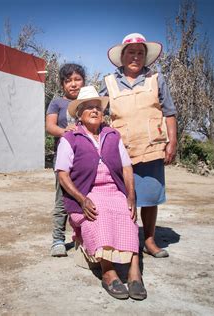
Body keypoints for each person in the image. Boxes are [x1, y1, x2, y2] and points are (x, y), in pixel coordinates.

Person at [56, 86, 147, 300]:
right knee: (99, 212)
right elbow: (62, 174)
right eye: (89, 107)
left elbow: (126, 167)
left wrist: (131, 196)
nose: (95, 110)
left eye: (98, 107)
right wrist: (82, 199)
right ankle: (108, 272)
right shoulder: (71, 138)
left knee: (127, 212)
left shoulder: (113, 135)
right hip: (86, 194)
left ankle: (135, 271)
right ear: (79, 113)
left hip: (114, 190)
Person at [100, 33, 177, 258]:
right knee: (123, 197)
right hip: (121, 151)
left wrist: (172, 142)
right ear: (122, 57)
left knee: (150, 197)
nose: (136, 57)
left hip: (152, 148)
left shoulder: (156, 79)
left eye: (140, 53)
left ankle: (149, 241)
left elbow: (170, 113)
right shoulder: (109, 82)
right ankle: (128, 239)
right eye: (131, 53)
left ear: (146, 57)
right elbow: (96, 109)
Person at [46, 63, 86, 257]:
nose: (73, 84)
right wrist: (66, 132)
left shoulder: (88, 101)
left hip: (86, 161)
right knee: (62, 200)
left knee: (87, 198)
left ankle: (84, 236)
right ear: (62, 84)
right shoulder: (57, 103)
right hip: (63, 161)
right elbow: (50, 127)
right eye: (68, 80)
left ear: (84, 82)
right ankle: (58, 240)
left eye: (77, 79)